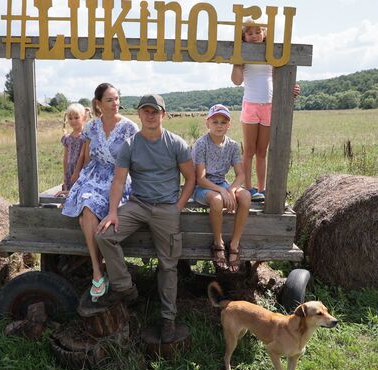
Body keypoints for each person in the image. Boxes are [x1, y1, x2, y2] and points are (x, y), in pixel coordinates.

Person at [94, 94, 195, 343]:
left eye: (155, 111)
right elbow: (119, 180)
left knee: (168, 265)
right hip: (138, 204)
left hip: (166, 208)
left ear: (163, 114)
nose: (150, 115)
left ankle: (168, 318)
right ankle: (125, 288)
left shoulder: (175, 143)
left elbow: (190, 178)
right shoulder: (130, 144)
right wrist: (114, 211)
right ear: (139, 114)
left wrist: (177, 207)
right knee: (104, 234)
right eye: (145, 111)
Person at [62, 83, 138, 303]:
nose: (115, 104)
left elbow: (136, 159)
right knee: (86, 206)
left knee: (90, 211)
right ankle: (98, 270)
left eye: (117, 99)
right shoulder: (91, 128)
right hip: (93, 175)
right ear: (98, 104)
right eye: (110, 100)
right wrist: (73, 178)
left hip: (118, 178)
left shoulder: (129, 127)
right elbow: (86, 155)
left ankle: (100, 269)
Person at [231, 18, 301, 202]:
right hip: (251, 106)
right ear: (243, 36)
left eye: (257, 32)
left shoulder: (272, 55)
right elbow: (237, 81)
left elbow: (281, 79)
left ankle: (261, 189)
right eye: (249, 33)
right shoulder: (244, 55)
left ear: (264, 34)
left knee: (262, 151)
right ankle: (248, 188)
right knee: (249, 151)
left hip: (270, 107)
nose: (254, 36)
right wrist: (236, 63)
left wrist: (291, 89)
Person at [192, 104, 250, 272]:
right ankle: (218, 243)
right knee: (217, 201)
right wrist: (222, 191)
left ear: (229, 125)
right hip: (203, 187)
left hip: (222, 184)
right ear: (207, 123)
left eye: (223, 122)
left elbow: (241, 175)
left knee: (245, 196)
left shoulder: (232, 145)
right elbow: (200, 178)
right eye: (215, 121)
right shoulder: (201, 144)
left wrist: (231, 189)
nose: (219, 125)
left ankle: (234, 244)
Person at [56, 103, 91, 194]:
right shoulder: (67, 138)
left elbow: (82, 155)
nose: (73, 121)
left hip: (81, 169)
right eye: (70, 118)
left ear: (84, 118)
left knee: (78, 193)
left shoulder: (85, 136)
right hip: (70, 169)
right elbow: (65, 157)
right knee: (68, 192)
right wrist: (65, 173)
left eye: (76, 118)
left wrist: (76, 172)